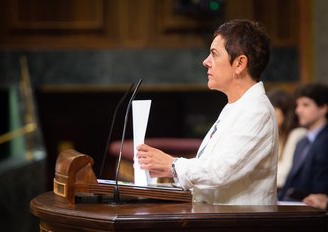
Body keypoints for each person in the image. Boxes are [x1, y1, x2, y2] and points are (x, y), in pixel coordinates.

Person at [137, 19, 278, 205]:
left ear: (240, 63)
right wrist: (163, 177)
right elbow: (212, 177)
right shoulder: (235, 107)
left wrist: (172, 165)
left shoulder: (257, 111)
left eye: (214, 54)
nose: (206, 62)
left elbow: (221, 172)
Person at [278, 83, 328, 201]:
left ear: (323, 108)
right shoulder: (301, 142)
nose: (298, 110)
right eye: (297, 105)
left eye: (305, 105)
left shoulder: (325, 141)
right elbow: (289, 182)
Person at [267, 89, 307, 189]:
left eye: (273, 108)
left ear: (285, 111)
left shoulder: (298, 134)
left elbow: (285, 173)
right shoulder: (275, 134)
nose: (267, 113)